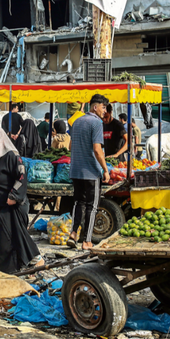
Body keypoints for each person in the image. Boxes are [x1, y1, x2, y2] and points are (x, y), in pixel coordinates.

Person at [0, 127, 42, 272]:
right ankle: (2, 269)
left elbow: (21, 177)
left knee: (8, 239)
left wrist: (14, 196)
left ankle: (12, 269)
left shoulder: (11, 156)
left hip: (9, 207)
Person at [68, 94, 111, 250]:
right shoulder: (96, 123)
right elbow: (97, 150)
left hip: (75, 170)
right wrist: (105, 170)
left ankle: (73, 233)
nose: (104, 111)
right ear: (95, 107)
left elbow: (70, 147)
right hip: (91, 172)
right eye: (103, 107)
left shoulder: (77, 121)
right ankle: (86, 241)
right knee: (92, 206)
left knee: (78, 202)